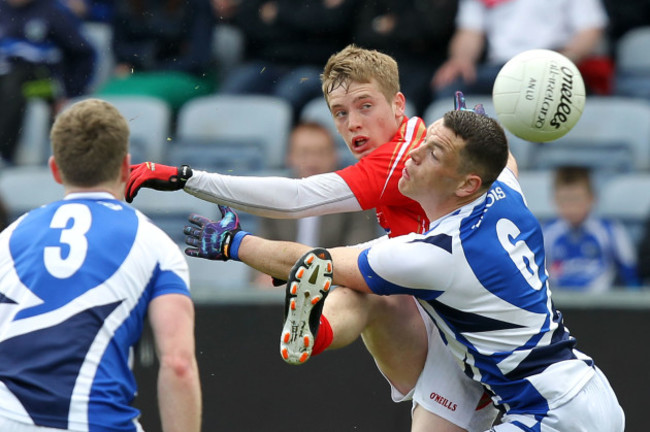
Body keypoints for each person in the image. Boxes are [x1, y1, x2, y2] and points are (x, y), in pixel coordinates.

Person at [184, 107, 625, 432]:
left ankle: (318, 334)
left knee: (366, 291)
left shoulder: (436, 253)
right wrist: (473, 124)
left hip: (551, 414)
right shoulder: (505, 191)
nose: (413, 154)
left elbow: (316, 262)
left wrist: (233, 243)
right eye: (424, 140)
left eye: (434, 153)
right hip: (587, 391)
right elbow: (501, 156)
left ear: (467, 183)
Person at [126, 46, 498, 431]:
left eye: (365, 106)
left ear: (398, 104)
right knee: (363, 284)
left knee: (361, 281)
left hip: (478, 335)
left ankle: (311, 330)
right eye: (340, 112)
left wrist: (190, 179)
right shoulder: (415, 151)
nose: (353, 122)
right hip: (450, 325)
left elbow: (297, 199)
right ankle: (308, 330)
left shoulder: (402, 159)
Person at [0, 99, 201, 431]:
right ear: (125, 167)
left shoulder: (9, 238)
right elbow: (178, 364)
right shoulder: (154, 243)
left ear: (55, 169)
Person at [253, 121, 378, 287]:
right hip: (282, 287)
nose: (312, 162)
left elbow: (357, 258)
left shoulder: (356, 199)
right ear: (289, 157)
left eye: (320, 153)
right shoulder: (274, 199)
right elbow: (261, 254)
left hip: (336, 287)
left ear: (335, 156)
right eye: (304, 153)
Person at [431, 0, 609, 100]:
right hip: (500, 70)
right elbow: (470, 30)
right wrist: (461, 59)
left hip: (549, 65)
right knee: (451, 88)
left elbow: (590, 29)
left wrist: (562, 61)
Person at [216, 0, 358, 118]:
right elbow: (249, 22)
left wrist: (280, 14)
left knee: (285, 97)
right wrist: (303, 24)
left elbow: (333, 23)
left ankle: (283, 147)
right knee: (231, 93)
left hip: (315, 67)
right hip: (267, 64)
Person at [0, 0, 96, 165]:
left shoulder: (52, 11)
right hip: (4, 76)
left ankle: (4, 155)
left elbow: (83, 54)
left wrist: (71, 93)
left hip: (44, 84)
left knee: (13, 84)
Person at [543, 166, 640, 292]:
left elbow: (630, 274)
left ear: (592, 198)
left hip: (603, 305)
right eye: (564, 200)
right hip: (557, 305)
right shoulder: (545, 233)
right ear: (554, 200)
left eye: (576, 199)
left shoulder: (611, 231)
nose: (571, 207)